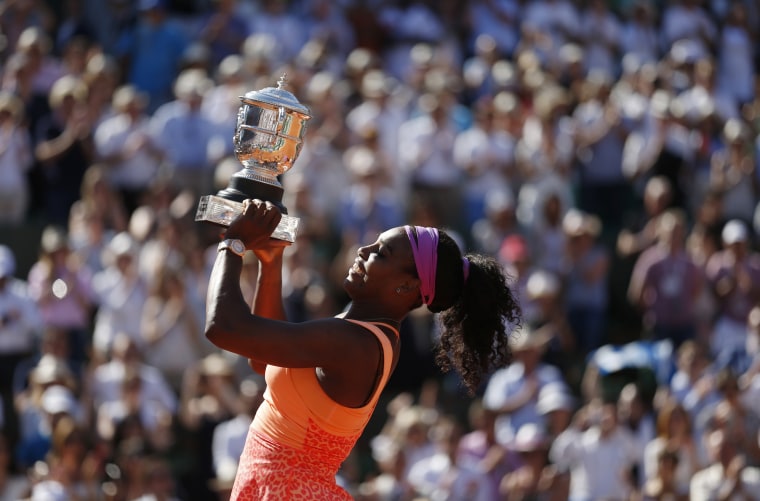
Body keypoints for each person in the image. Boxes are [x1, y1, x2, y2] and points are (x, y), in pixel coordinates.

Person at [204, 199, 520, 499]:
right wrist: (271, 263)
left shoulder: (354, 342)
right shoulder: (362, 332)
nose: (362, 250)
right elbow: (263, 359)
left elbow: (223, 327)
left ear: (407, 286)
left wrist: (233, 243)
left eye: (380, 254)